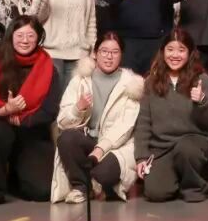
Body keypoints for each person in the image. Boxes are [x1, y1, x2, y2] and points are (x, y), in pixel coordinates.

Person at [0, 16, 64, 205]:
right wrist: (6, 110)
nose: (25, 40)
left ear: (38, 38)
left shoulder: (49, 68)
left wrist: (23, 120)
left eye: (30, 35)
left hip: (32, 131)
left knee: (42, 192)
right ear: (11, 37)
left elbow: (50, 110)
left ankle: (14, 175)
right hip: (0, 127)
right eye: (20, 35)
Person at [51, 32, 144, 203]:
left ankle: (100, 183)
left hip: (115, 145)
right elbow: (62, 122)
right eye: (104, 51)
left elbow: (125, 128)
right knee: (66, 138)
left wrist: (101, 149)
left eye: (115, 52)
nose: (109, 56)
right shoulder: (81, 79)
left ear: (121, 55)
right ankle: (81, 187)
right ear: (95, 53)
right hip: (87, 141)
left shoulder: (131, 85)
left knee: (103, 174)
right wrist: (78, 109)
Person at [134, 29, 208, 202]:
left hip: (194, 144)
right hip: (162, 148)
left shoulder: (202, 79)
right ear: (163, 52)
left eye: (181, 50)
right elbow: (143, 122)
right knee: (156, 193)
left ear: (190, 53)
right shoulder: (151, 81)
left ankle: (195, 185)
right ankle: (177, 178)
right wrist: (141, 156)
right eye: (170, 49)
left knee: (186, 149)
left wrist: (201, 101)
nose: (175, 55)